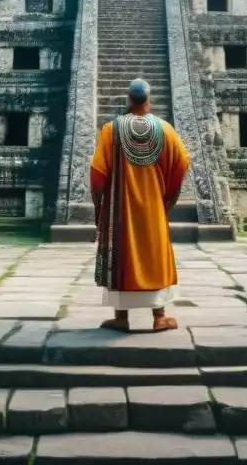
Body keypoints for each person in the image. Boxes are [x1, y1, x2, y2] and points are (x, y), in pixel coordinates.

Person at [90, 78, 190, 332]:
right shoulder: (165, 129)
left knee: (120, 255)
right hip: (153, 207)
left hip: (119, 210)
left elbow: (98, 173)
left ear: (127, 100)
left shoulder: (111, 130)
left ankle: (121, 317)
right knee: (154, 253)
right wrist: (167, 197)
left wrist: (99, 204)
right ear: (149, 100)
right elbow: (182, 164)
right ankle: (159, 316)